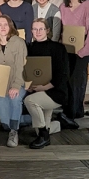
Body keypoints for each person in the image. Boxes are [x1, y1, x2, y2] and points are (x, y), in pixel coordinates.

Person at [24, 19, 70, 149]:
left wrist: (45, 87)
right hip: (37, 89)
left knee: (29, 101)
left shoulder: (58, 48)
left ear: (47, 30)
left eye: (41, 29)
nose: (38, 32)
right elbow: (27, 71)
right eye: (35, 29)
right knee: (40, 126)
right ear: (31, 31)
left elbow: (63, 74)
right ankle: (58, 124)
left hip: (55, 91)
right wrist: (30, 85)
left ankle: (44, 136)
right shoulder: (30, 48)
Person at [0, 15, 27, 147]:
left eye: (5, 24)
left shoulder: (19, 42)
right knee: (5, 123)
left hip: (18, 82)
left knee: (15, 99)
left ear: (10, 26)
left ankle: (14, 132)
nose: (3, 27)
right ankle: (34, 119)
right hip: (1, 85)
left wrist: (15, 86)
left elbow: (22, 66)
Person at [59, 0, 89, 127]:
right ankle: (74, 110)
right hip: (67, 48)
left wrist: (86, 49)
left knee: (77, 80)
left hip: (83, 47)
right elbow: (62, 28)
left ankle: (72, 113)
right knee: (67, 79)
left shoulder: (88, 5)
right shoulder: (63, 6)